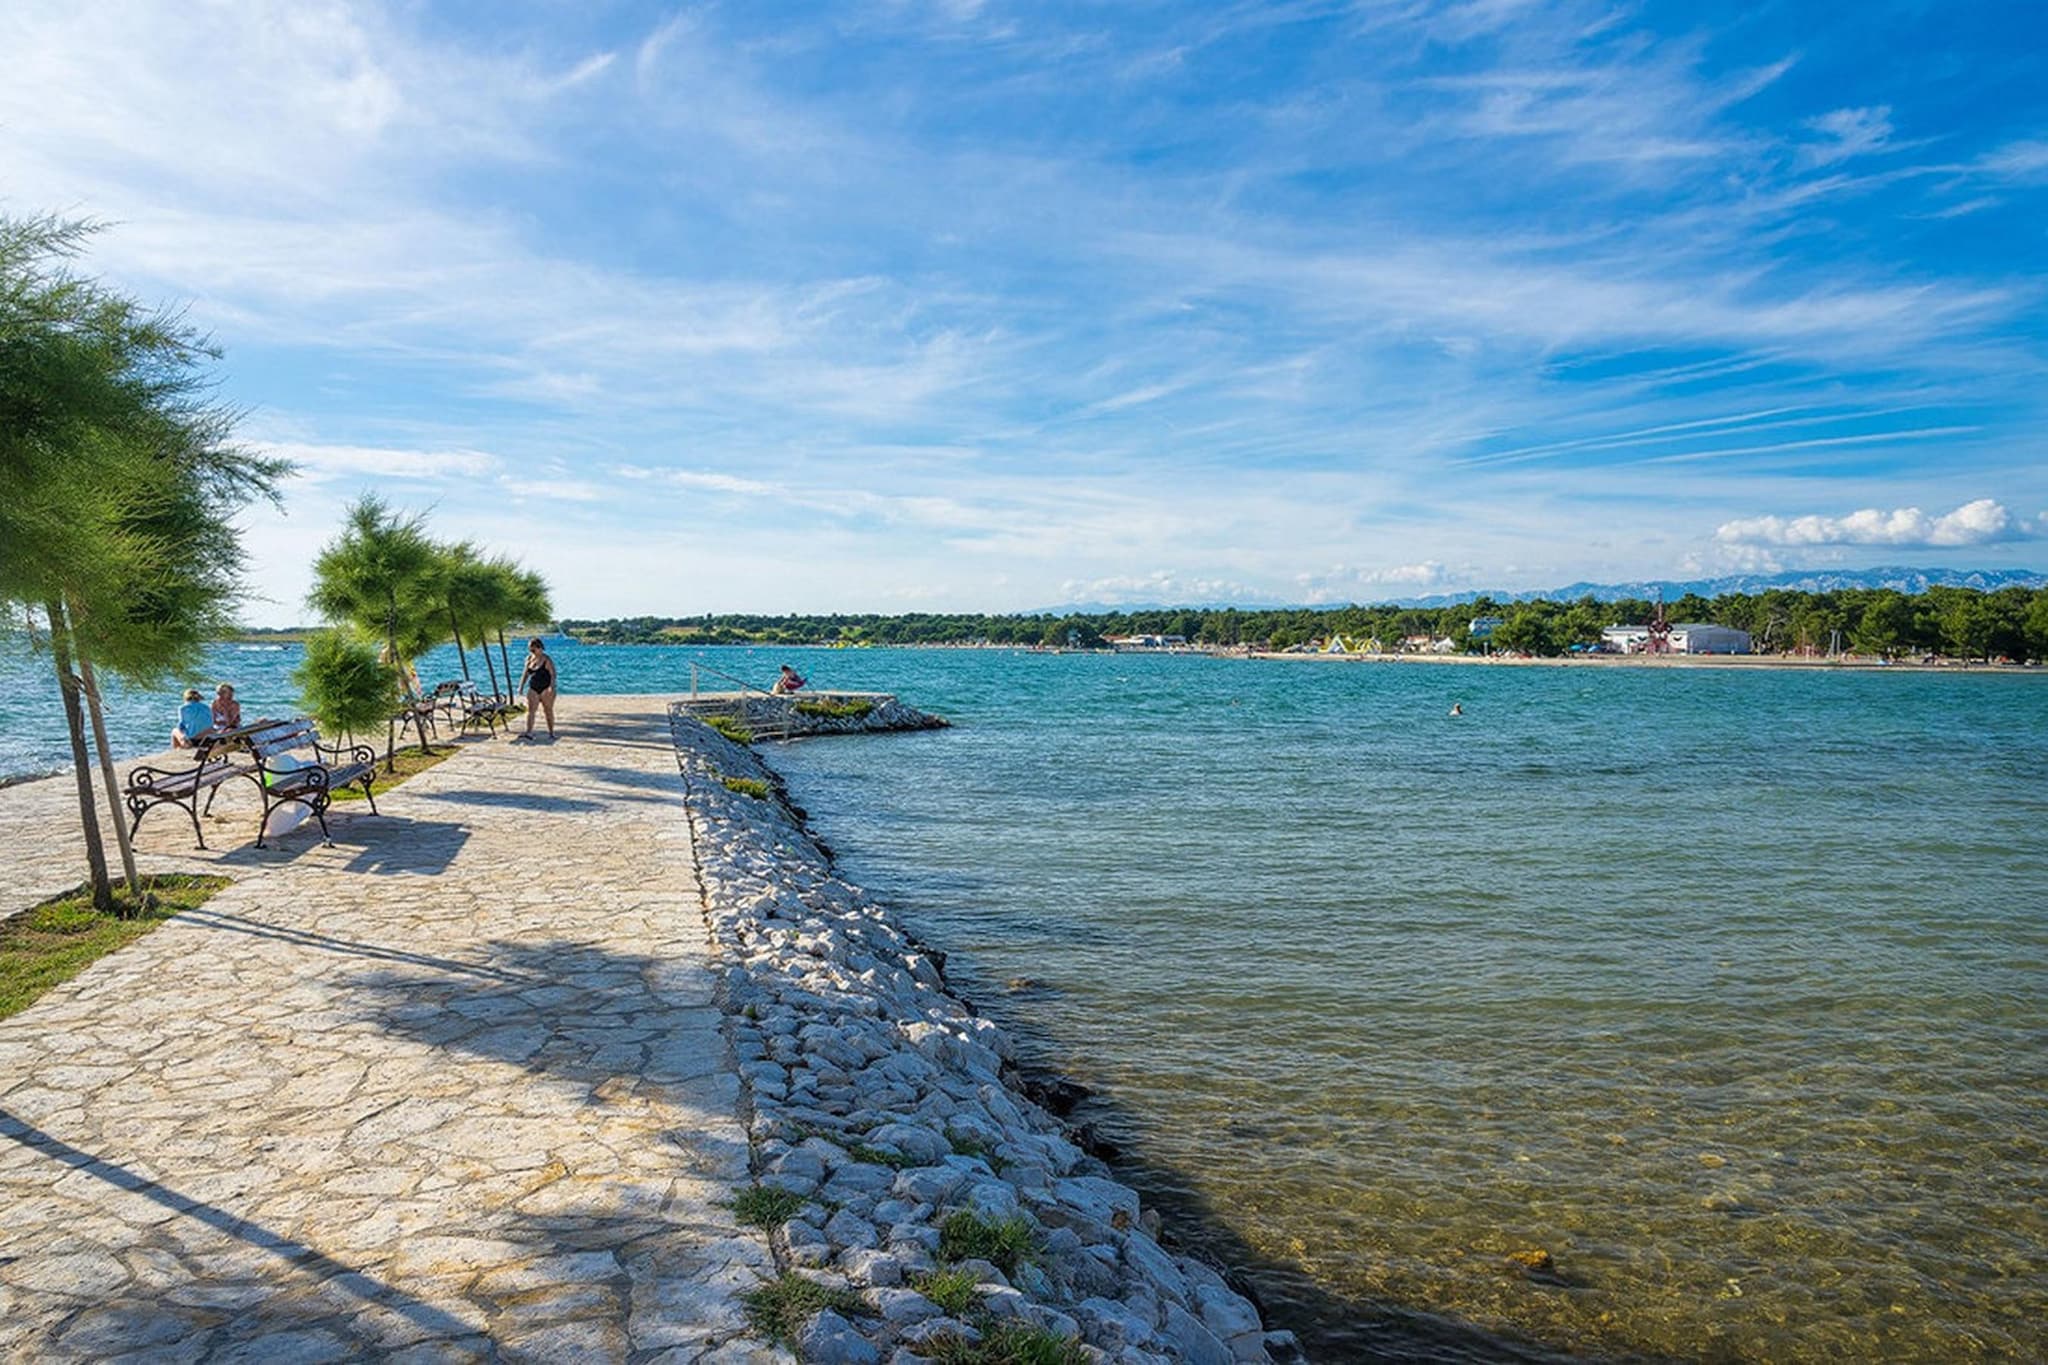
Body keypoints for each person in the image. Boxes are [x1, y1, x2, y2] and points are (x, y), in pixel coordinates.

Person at [518, 638, 558, 738]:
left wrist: (551, 687)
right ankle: (529, 732)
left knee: (548, 710)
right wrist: (521, 686)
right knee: (531, 711)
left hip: (546, 688)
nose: (531, 651)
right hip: (533, 688)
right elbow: (525, 674)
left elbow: (553, 674)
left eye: (533, 649)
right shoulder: (529, 659)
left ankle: (551, 733)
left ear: (539, 648)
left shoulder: (546, 659)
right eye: (530, 649)